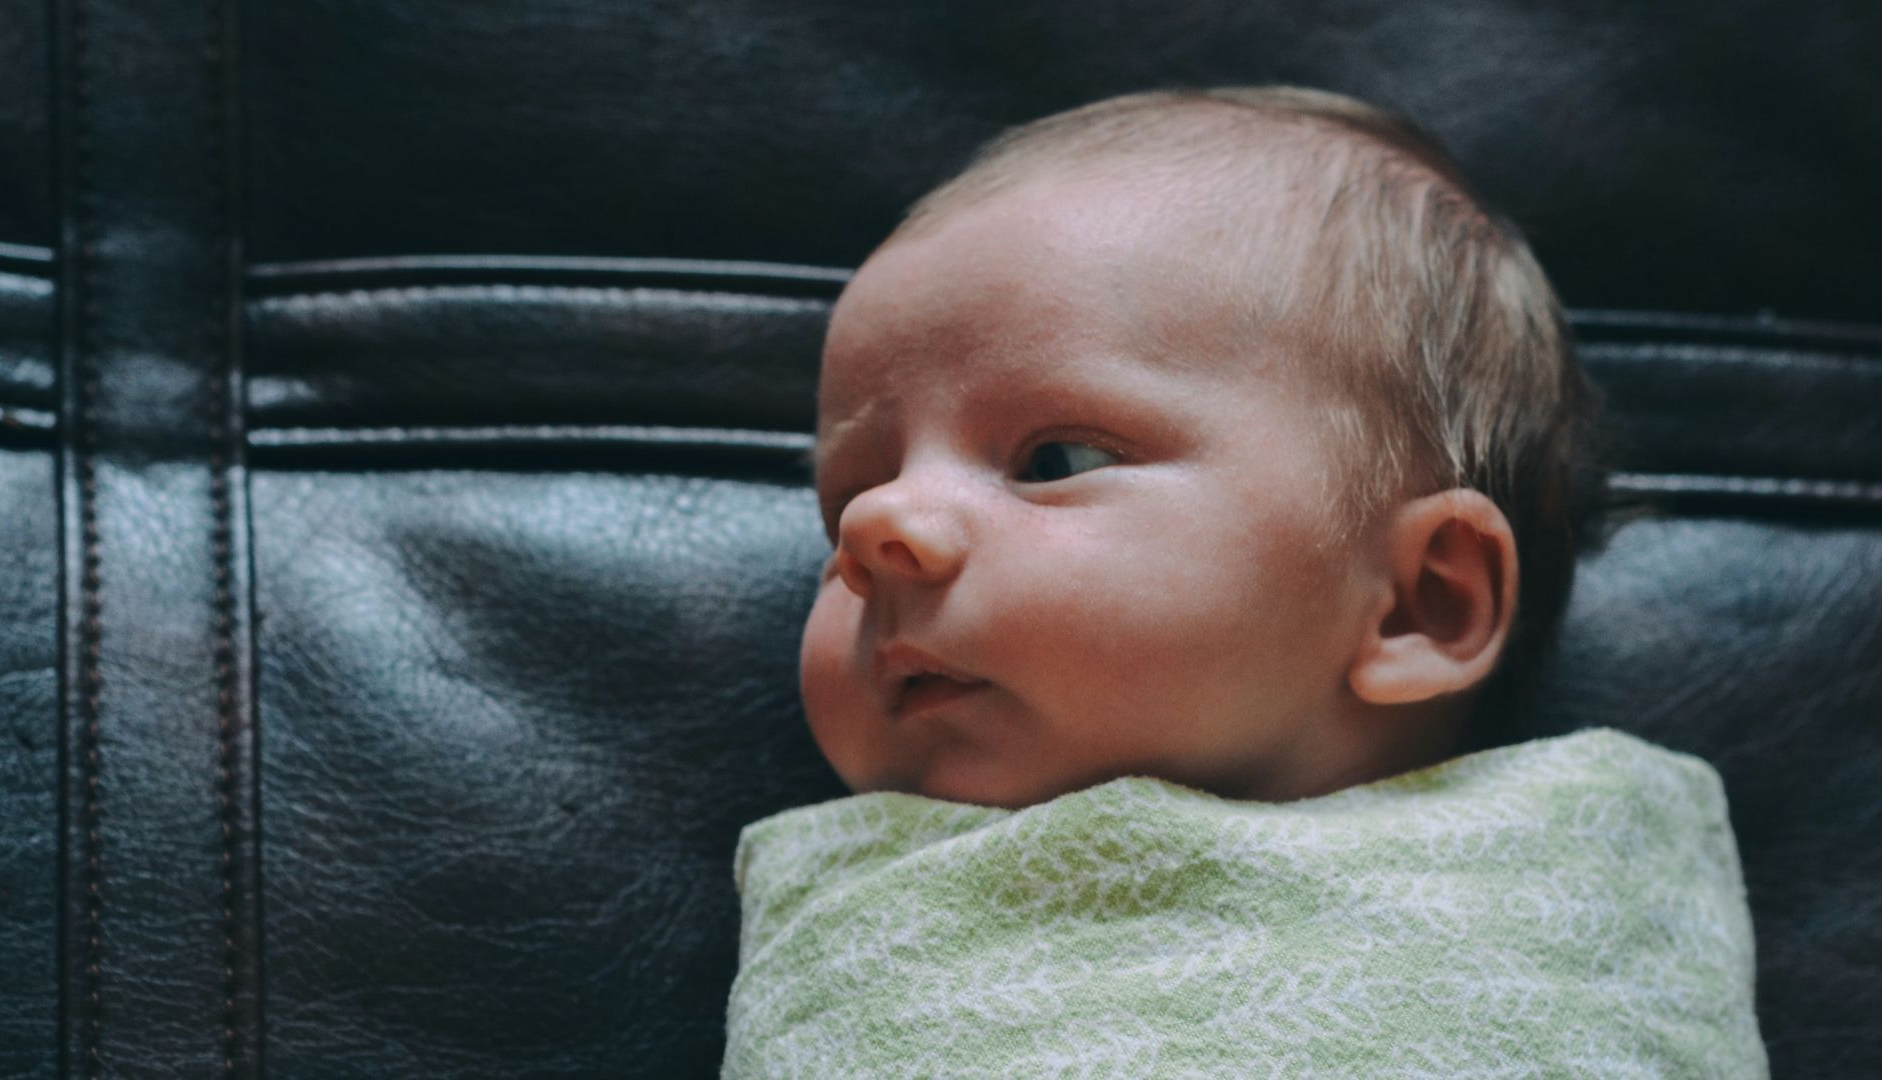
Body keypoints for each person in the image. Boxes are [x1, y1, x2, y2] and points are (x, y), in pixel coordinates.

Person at [724, 87, 1767, 1077]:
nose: (873, 528)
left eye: (1056, 462)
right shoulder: (860, 900)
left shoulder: (1584, 888)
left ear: (1418, 603)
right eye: (847, 499)